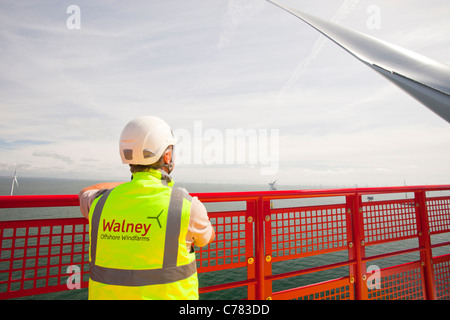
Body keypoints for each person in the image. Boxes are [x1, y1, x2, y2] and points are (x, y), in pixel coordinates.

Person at [79, 116, 215, 300]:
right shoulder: (187, 206)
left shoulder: (99, 203)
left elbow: (85, 192)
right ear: (167, 155)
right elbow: (207, 239)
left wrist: (131, 186)